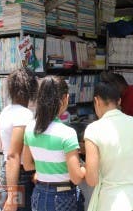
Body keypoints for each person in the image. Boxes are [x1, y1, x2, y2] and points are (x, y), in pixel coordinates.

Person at [84, 80, 133, 211]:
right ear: (119, 101)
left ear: (96, 101)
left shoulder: (93, 129)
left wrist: (82, 168)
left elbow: (92, 180)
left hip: (113, 202)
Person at [22, 75, 85, 211]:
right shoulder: (67, 133)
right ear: (64, 99)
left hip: (39, 194)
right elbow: (76, 178)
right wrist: (85, 168)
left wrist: (44, 168)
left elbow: (27, 165)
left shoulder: (30, 128)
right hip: (64, 197)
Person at [0, 67, 38, 211]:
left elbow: (5, 149)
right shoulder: (24, 115)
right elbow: (13, 155)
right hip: (20, 178)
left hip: (6, 174)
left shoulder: (5, 111)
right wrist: (12, 197)